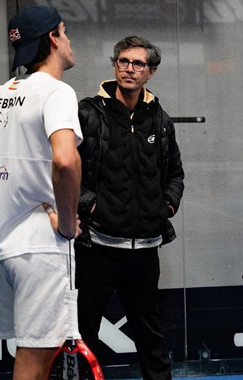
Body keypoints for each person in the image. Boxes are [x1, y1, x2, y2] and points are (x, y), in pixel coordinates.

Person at [0, 5, 81, 380]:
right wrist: (68, 223)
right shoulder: (57, 92)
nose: (70, 41)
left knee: (33, 353)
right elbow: (66, 162)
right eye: (66, 32)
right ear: (54, 38)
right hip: (41, 246)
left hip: (4, 249)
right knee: (34, 358)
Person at [75, 36, 184, 380]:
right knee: (83, 334)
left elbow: (176, 174)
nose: (129, 68)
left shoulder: (161, 120)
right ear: (114, 65)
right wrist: (89, 206)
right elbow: (62, 169)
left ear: (150, 72)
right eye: (123, 61)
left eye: (138, 64)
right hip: (97, 246)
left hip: (145, 248)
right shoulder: (88, 113)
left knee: (150, 335)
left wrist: (165, 204)